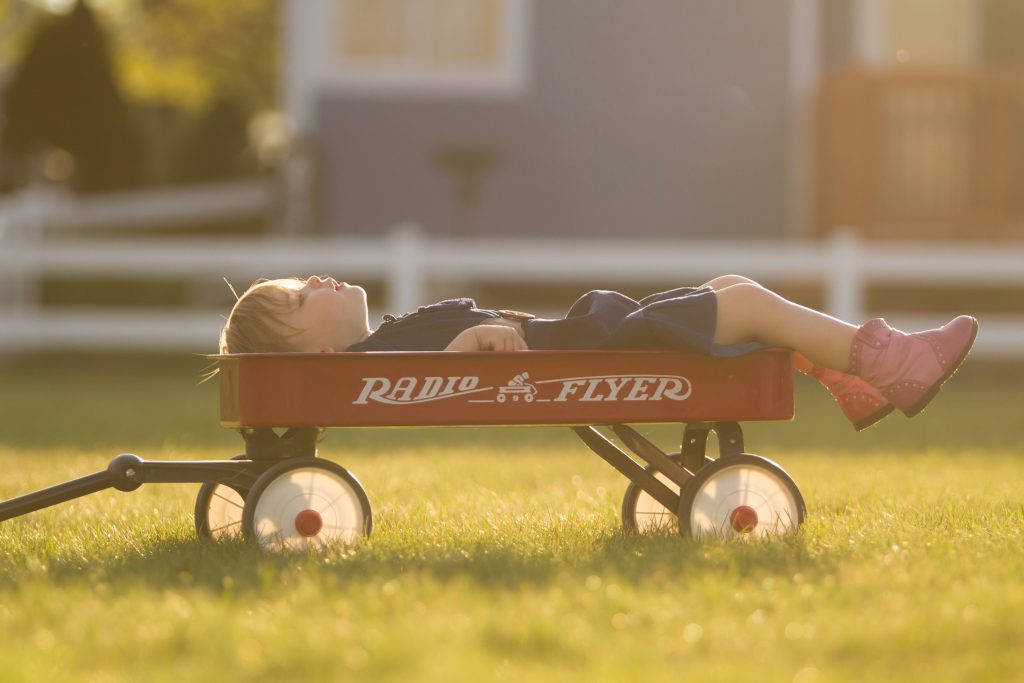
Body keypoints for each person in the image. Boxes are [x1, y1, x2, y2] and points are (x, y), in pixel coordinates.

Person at [218, 274, 978, 431]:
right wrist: (465, 340)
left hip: (587, 338)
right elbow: (428, 378)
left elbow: (413, 372)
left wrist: (462, 339)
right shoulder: (379, 362)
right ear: (313, 348)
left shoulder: (383, 346)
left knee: (733, 292)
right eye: (295, 297)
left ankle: (851, 375)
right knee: (743, 301)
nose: (314, 279)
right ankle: (890, 363)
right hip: (589, 348)